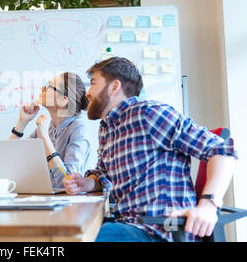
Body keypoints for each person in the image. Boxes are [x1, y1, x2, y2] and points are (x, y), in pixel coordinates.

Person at [62, 57, 237, 242]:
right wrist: (85, 184)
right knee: (68, 235)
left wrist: (209, 206)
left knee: (76, 239)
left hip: (159, 231)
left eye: (93, 84)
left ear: (114, 87)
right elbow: (103, 174)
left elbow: (221, 149)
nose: (87, 93)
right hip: (127, 224)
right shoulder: (107, 128)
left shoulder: (149, 113)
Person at [9, 72, 93, 188]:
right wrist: (22, 122)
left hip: (69, 203)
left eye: (49, 86)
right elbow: (11, 159)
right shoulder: (48, 127)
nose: (43, 88)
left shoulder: (78, 130)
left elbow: (68, 182)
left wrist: (44, 137)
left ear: (63, 100)